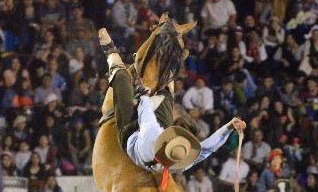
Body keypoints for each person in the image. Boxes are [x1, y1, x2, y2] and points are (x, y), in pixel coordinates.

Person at [99, 28, 245, 180]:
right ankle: (169, 66)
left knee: (122, 78)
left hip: (132, 137)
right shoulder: (180, 161)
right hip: (155, 152)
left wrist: (144, 94)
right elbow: (207, 148)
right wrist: (228, 128)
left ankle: (111, 54)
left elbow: (145, 114)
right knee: (167, 95)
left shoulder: (151, 135)